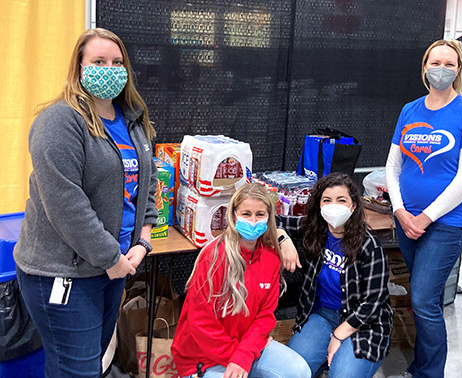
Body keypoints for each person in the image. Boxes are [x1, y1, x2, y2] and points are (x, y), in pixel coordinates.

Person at [14, 28, 158, 377]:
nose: (110, 69)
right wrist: (111, 258)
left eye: (117, 62)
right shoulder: (59, 121)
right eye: (98, 61)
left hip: (116, 267)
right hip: (65, 273)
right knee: (76, 370)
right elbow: (65, 203)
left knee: (90, 362)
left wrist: (143, 239)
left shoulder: (132, 119)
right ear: (79, 67)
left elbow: (148, 183)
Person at [385, 39, 462, 378]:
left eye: (449, 64)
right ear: (425, 66)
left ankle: (428, 373)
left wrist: (425, 217)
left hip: (446, 223)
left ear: (458, 70)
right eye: (435, 62)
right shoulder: (410, 110)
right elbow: (393, 167)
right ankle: (420, 365)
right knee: (421, 298)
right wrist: (400, 211)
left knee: (425, 301)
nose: (441, 69)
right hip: (406, 219)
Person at [171, 183, 311, 378]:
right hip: (203, 356)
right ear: (234, 215)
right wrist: (238, 357)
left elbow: (265, 317)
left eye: (260, 214)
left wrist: (244, 353)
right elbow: (200, 323)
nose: (253, 221)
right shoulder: (213, 256)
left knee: (299, 371)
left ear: (269, 217)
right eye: (246, 214)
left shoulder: (271, 257)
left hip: (246, 347)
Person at [276, 173, 393, 378]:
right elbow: (274, 220)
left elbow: (374, 302)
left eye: (341, 200)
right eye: (327, 200)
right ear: (319, 205)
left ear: (353, 206)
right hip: (323, 315)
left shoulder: (368, 245)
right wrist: (283, 239)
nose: (333, 205)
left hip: (363, 324)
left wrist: (338, 336)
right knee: (289, 372)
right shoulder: (315, 230)